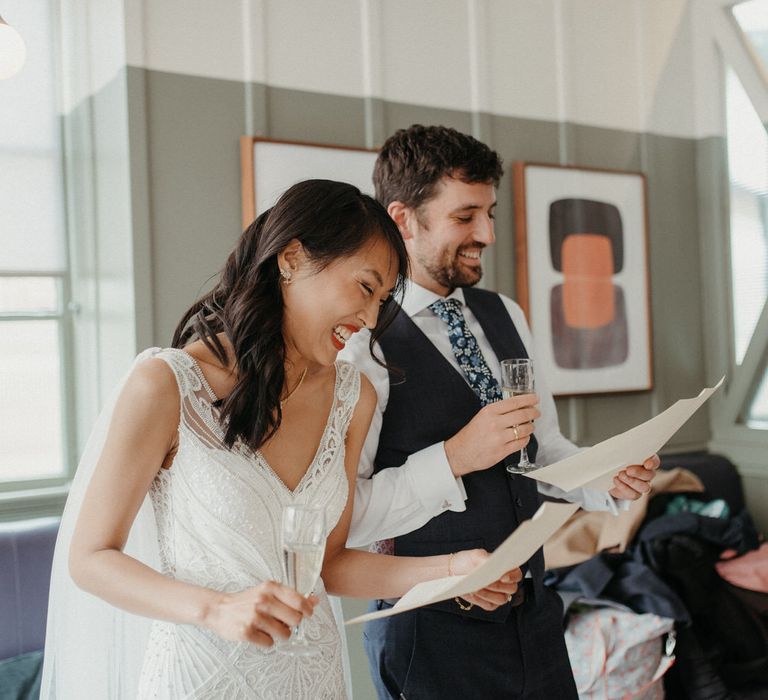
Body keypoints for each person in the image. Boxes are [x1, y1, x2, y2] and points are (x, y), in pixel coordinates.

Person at [40, 179, 523, 700]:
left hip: (314, 678)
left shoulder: (351, 396)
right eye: (365, 288)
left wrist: (453, 571)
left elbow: (331, 565)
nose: (367, 322)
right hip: (201, 679)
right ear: (291, 258)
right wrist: (216, 608)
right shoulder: (167, 385)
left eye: (382, 302)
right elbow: (90, 558)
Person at [339, 126, 661, 699]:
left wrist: (606, 476)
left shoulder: (506, 312)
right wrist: (456, 457)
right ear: (403, 219)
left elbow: (546, 452)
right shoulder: (362, 343)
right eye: (466, 216)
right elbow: (352, 516)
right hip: (428, 637)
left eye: (489, 213)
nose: (486, 233)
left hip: (534, 619)